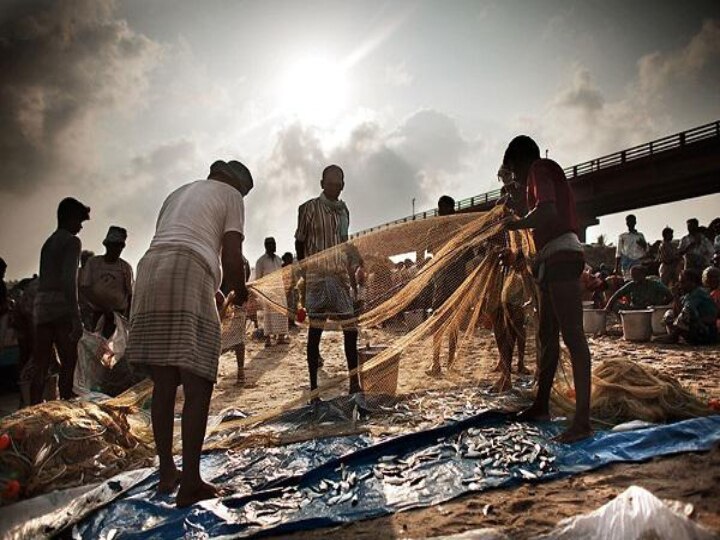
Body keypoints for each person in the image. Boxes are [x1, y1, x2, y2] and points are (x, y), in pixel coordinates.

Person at [126, 159, 251, 507]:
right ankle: (191, 481)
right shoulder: (231, 196)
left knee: (164, 383)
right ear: (237, 184)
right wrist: (239, 291)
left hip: (150, 269)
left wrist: (213, 288)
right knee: (198, 384)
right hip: (188, 266)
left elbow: (179, 240)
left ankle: (167, 471)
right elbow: (231, 254)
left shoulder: (178, 193)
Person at [503, 135, 592, 443]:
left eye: (512, 173)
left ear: (517, 162)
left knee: (573, 336)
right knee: (546, 337)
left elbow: (548, 212)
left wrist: (512, 225)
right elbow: (540, 223)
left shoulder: (540, 168)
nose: (512, 180)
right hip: (549, 259)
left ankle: (583, 421)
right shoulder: (533, 181)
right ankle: (541, 405)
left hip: (562, 255)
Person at [295, 164, 360, 396]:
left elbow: (343, 243)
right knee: (316, 332)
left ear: (343, 186)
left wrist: (353, 275)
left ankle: (354, 384)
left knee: (351, 330)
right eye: (330, 184)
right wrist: (304, 270)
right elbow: (300, 242)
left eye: (339, 185)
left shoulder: (343, 211)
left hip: (339, 276)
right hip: (317, 278)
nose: (335, 188)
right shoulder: (308, 209)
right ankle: (314, 388)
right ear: (322, 184)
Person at [30, 198, 90, 404]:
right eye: (80, 221)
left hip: (41, 306)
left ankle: (33, 406)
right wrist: (76, 317)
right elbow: (68, 281)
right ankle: (65, 402)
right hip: (60, 306)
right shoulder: (72, 242)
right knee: (68, 359)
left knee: (40, 363)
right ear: (70, 218)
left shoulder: (49, 242)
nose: (81, 226)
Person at [427, 195, 466, 376]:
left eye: (446, 209)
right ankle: (436, 362)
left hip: (453, 278)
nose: (443, 212)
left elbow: (464, 253)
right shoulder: (433, 231)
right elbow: (431, 253)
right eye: (441, 209)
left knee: (453, 322)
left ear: (452, 210)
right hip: (440, 280)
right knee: (438, 321)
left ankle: (450, 361)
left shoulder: (458, 230)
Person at [79, 227, 133, 338]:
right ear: (107, 245)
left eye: (120, 246)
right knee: (97, 345)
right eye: (114, 245)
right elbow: (85, 288)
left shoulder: (125, 267)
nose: (117, 249)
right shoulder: (93, 263)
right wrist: (103, 306)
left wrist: (128, 316)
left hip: (118, 315)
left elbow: (129, 294)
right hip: (97, 313)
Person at [660, 269, 718, 345]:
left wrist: (676, 297)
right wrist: (676, 297)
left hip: (707, 331)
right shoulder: (688, 295)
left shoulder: (698, 293)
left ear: (692, 282)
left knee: (687, 311)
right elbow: (676, 312)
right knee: (669, 313)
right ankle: (674, 336)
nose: (680, 285)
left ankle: (673, 337)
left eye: (683, 282)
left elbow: (686, 311)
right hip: (697, 329)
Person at [255, 237, 289, 347]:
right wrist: (260, 294)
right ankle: (268, 340)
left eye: (274, 244)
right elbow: (258, 279)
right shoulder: (261, 261)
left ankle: (281, 337)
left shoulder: (279, 260)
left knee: (281, 313)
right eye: (271, 244)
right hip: (268, 292)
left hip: (279, 291)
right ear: (266, 246)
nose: (274, 246)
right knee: (268, 315)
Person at [603, 265, 673, 313]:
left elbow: (670, 295)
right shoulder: (631, 285)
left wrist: (659, 305)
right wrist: (607, 307)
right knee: (616, 305)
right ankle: (626, 322)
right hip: (635, 310)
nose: (634, 278)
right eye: (633, 276)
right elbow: (617, 294)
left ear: (643, 275)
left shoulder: (655, 284)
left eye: (636, 275)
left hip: (652, 310)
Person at [615, 214, 648, 279]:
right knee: (628, 281)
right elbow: (618, 253)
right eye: (629, 221)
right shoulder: (622, 236)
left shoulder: (640, 236)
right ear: (626, 223)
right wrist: (616, 268)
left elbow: (646, 250)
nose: (630, 223)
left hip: (637, 262)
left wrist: (643, 244)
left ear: (635, 222)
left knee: (638, 281)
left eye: (632, 221)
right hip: (626, 262)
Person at [281, 252, 298, 329]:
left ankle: (292, 322)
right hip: (283, 290)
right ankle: (286, 323)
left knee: (293, 307)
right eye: (289, 258)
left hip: (292, 290)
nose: (291, 260)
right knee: (285, 307)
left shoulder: (292, 268)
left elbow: (294, 279)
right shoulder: (281, 268)